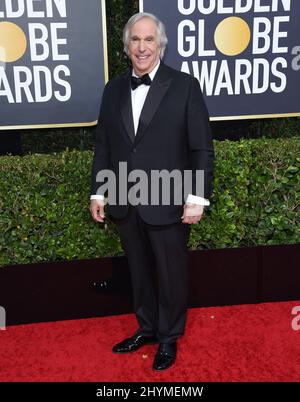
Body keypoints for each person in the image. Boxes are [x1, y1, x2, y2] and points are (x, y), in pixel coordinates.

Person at [90, 12, 214, 371]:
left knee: (171, 273)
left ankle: (169, 337)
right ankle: (146, 327)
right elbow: (103, 145)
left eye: (148, 40)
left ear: (160, 44)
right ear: (126, 45)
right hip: (125, 200)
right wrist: (99, 191)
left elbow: (201, 147)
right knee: (139, 271)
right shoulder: (113, 88)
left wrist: (197, 196)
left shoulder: (184, 85)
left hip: (169, 199)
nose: (142, 47)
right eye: (135, 40)